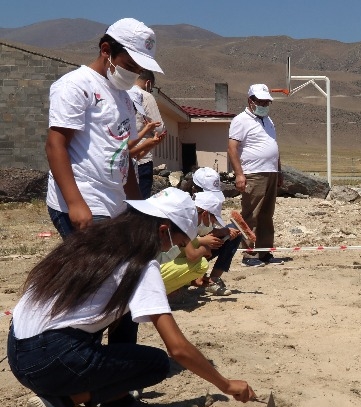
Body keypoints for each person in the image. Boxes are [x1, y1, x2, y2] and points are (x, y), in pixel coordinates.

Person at [6, 188, 256, 407]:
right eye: (178, 241)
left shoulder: (94, 238)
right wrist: (226, 384)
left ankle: (118, 405)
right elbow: (178, 348)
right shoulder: (141, 265)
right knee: (156, 364)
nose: (176, 248)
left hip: (19, 351)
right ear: (163, 230)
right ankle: (62, 403)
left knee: (124, 316)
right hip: (51, 358)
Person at [45, 18, 163, 238]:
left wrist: (138, 206)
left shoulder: (125, 98)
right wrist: (75, 203)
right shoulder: (76, 86)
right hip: (85, 201)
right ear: (106, 50)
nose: (134, 73)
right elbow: (55, 145)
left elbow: (122, 154)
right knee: (101, 270)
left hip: (114, 202)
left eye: (139, 69)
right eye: (129, 66)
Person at [228, 83, 283, 267]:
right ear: (250, 101)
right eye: (261, 101)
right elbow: (232, 148)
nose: (264, 105)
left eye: (267, 102)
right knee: (251, 214)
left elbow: (274, 146)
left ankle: (265, 251)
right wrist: (239, 174)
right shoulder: (240, 120)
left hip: (271, 172)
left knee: (267, 214)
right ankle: (248, 253)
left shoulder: (268, 120)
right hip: (253, 173)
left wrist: (279, 170)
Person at [189, 167, 243, 294]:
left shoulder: (205, 209)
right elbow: (178, 244)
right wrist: (203, 241)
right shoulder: (186, 213)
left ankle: (212, 280)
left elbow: (205, 229)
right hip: (183, 255)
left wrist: (219, 232)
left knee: (233, 232)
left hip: (196, 249)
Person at [129, 69, 165, 198]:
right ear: (148, 83)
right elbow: (160, 128)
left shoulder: (121, 93)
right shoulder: (145, 96)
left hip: (120, 158)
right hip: (142, 157)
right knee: (140, 204)